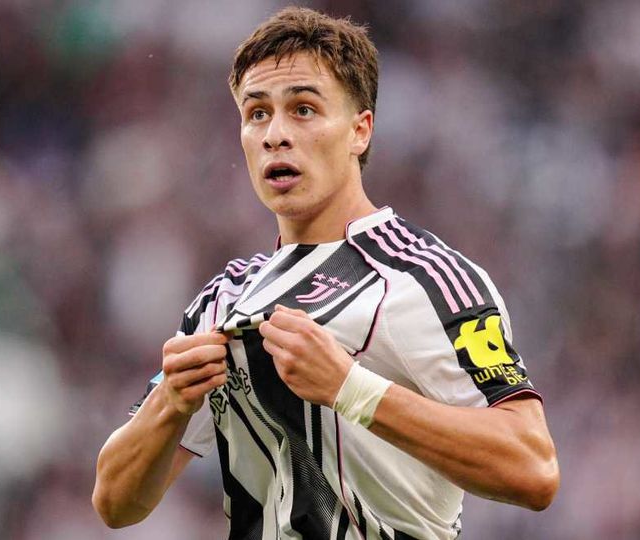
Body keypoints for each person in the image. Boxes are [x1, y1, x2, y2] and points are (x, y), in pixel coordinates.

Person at [92, 7, 559, 539]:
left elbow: (533, 468)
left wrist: (349, 388)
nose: (275, 134)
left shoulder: (424, 278)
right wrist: (169, 403)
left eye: (304, 109)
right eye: (257, 113)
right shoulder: (222, 300)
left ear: (360, 131)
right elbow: (114, 502)